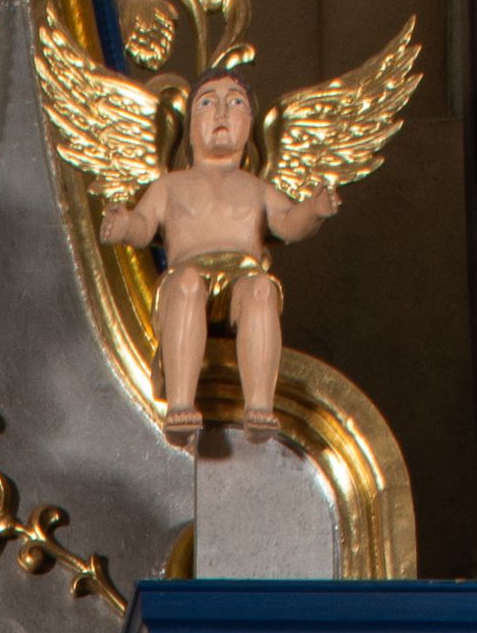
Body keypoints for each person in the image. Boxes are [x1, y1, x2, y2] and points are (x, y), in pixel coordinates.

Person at [97, 64, 338, 442]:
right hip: (187, 273)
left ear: (250, 126)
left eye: (235, 103)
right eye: (207, 103)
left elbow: (289, 223)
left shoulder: (256, 188)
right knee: (187, 285)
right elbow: (144, 225)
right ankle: (180, 404)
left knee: (261, 290)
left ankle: (259, 406)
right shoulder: (170, 185)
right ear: (189, 128)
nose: (222, 112)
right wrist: (124, 224)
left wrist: (313, 211)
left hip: (242, 274)